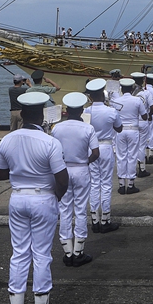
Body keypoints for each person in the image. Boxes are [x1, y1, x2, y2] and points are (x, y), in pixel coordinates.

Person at [0, 91, 69, 304]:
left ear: (22, 115)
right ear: (41, 115)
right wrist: (54, 197)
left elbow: (0, 174)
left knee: (19, 253)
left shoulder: (8, 139)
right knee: (41, 254)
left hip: (17, 198)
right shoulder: (50, 142)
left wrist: (20, 171)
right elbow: (62, 178)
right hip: (43, 199)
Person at [51, 92, 99, 267]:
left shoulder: (57, 128)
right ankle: (79, 250)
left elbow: (52, 151)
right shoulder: (88, 128)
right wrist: (84, 161)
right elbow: (95, 153)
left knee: (64, 209)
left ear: (66, 111)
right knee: (80, 209)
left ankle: (67, 251)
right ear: (80, 111)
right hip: (81, 170)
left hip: (63, 169)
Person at [84, 78, 123, 233]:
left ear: (91, 97)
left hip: (91, 148)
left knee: (94, 183)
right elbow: (119, 128)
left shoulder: (86, 111)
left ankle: (94, 219)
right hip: (106, 146)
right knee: (106, 184)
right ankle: (105, 219)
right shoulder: (111, 111)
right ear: (103, 94)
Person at [112, 77, 147, 194]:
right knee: (132, 156)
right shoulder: (137, 100)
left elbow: (113, 116)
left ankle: (121, 185)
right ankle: (131, 185)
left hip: (120, 131)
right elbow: (145, 116)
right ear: (132, 88)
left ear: (121, 88)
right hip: (133, 130)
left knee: (121, 157)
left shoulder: (117, 101)